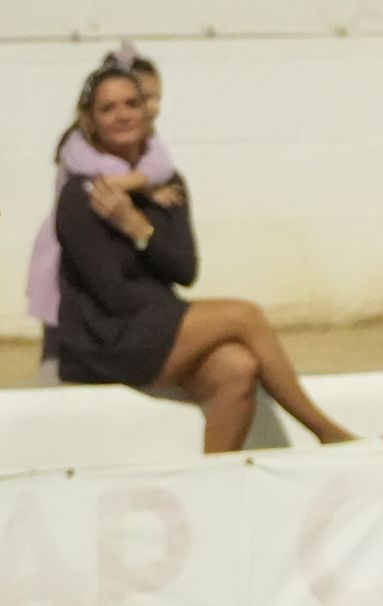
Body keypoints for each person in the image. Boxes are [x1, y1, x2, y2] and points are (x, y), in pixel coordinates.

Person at [53, 66, 353, 453]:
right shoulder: (84, 193)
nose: (123, 114)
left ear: (148, 110)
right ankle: (326, 432)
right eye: (108, 108)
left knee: (238, 367)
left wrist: (137, 226)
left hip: (152, 325)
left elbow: (184, 269)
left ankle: (213, 483)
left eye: (132, 103)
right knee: (244, 316)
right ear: (91, 121)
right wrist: (184, 321)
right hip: (103, 339)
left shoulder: (168, 183)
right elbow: (111, 294)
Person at [28, 42, 180, 381]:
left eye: (151, 98)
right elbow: (100, 181)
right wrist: (145, 186)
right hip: (63, 247)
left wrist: (144, 181)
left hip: (106, 244)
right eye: (146, 96)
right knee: (60, 330)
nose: (152, 107)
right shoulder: (78, 143)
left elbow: (163, 165)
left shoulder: (148, 144)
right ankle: (50, 390)